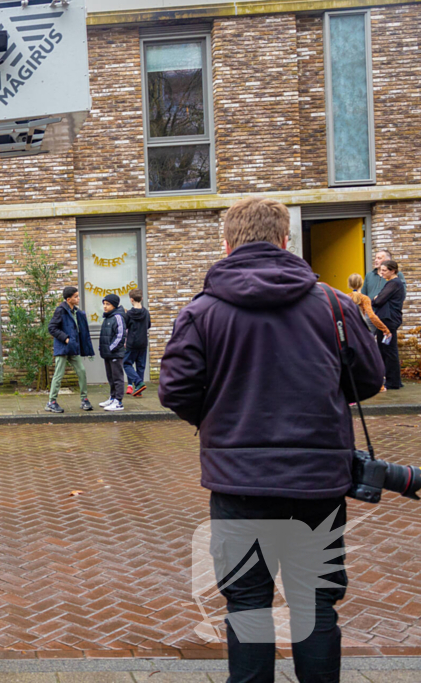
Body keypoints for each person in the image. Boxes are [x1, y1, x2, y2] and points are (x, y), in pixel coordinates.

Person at [159, 197, 384, 683]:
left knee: (247, 602)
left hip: (240, 482)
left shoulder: (203, 311)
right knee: (315, 599)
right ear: (286, 241)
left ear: (226, 244)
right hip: (319, 481)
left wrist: (223, 419)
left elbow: (175, 389)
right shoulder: (333, 305)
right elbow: (368, 379)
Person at [46, 286, 95, 413]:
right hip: (63, 348)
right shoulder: (60, 311)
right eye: (76, 297)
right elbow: (52, 328)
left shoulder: (77, 312)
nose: (78, 298)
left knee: (81, 371)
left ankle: (84, 399)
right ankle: (51, 402)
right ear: (68, 299)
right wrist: (66, 339)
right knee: (58, 375)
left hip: (73, 348)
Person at [372, 259, 406, 391]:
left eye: (384, 271)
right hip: (389, 319)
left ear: (393, 271)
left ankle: (393, 382)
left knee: (388, 349)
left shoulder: (394, 283)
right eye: (381, 270)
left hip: (388, 319)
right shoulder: (394, 283)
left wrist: (376, 298)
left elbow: (378, 300)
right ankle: (393, 380)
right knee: (386, 348)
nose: (382, 273)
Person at [98, 293, 126, 411]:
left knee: (117, 377)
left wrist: (110, 348)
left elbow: (120, 335)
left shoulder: (118, 317)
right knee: (111, 377)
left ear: (114, 305)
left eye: (108, 304)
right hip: (108, 354)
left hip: (115, 353)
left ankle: (118, 401)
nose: (105, 306)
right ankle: (113, 397)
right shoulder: (107, 317)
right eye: (104, 304)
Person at [123, 289, 151, 397]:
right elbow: (148, 325)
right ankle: (139, 391)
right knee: (140, 366)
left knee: (126, 364)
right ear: (141, 298)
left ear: (131, 300)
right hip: (143, 342)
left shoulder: (129, 314)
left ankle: (138, 383)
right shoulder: (146, 312)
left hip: (132, 343)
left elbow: (125, 327)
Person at [348, 273, 390, 339]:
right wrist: (385, 329)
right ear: (361, 283)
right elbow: (371, 316)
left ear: (349, 284)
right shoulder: (365, 298)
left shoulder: (345, 297)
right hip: (360, 329)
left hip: (348, 329)